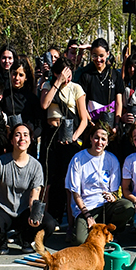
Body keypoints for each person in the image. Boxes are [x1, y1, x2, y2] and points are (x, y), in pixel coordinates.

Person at [0, 122, 56, 255]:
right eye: (17, 135)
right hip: (2, 210)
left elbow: (34, 196)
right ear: (12, 140)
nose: (22, 138)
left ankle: (25, 238)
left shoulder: (36, 166)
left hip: (24, 211)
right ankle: (1, 241)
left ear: (30, 140)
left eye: (25, 135)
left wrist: (34, 214)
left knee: (49, 224)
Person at [40, 57, 90, 225]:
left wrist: (75, 136)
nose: (67, 78)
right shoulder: (48, 86)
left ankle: (69, 219)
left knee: (68, 179)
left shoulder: (76, 88)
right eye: (64, 74)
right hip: (52, 135)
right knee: (49, 178)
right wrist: (57, 81)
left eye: (69, 75)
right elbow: (45, 105)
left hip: (70, 136)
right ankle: (45, 217)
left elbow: (83, 118)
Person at [65, 125, 135, 245]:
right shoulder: (78, 159)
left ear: (107, 142)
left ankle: (111, 232)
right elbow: (75, 194)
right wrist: (87, 215)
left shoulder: (112, 159)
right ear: (91, 138)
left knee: (128, 207)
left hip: (105, 207)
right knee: (80, 241)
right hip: (85, 207)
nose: (99, 142)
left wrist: (112, 197)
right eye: (96, 138)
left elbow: (114, 191)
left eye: (103, 139)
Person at [79, 38, 124, 131]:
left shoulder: (115, 74)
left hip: (111, 125)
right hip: (92, 125)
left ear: (108, 54)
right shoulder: (86, 76)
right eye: (95, 56)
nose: (98, 59)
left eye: (101, 56)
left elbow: (119, 102)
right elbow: (82, 103)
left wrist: (116, 124)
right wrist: (89, 121)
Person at [3, 61, 42, 155]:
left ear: (25, 78)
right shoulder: (3, 96)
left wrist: (31, 137)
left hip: (28, 145)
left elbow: (40, 124)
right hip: (9, 143)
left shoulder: (32, 98)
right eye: (14, 74)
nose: (16, 78)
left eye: (21, 75)